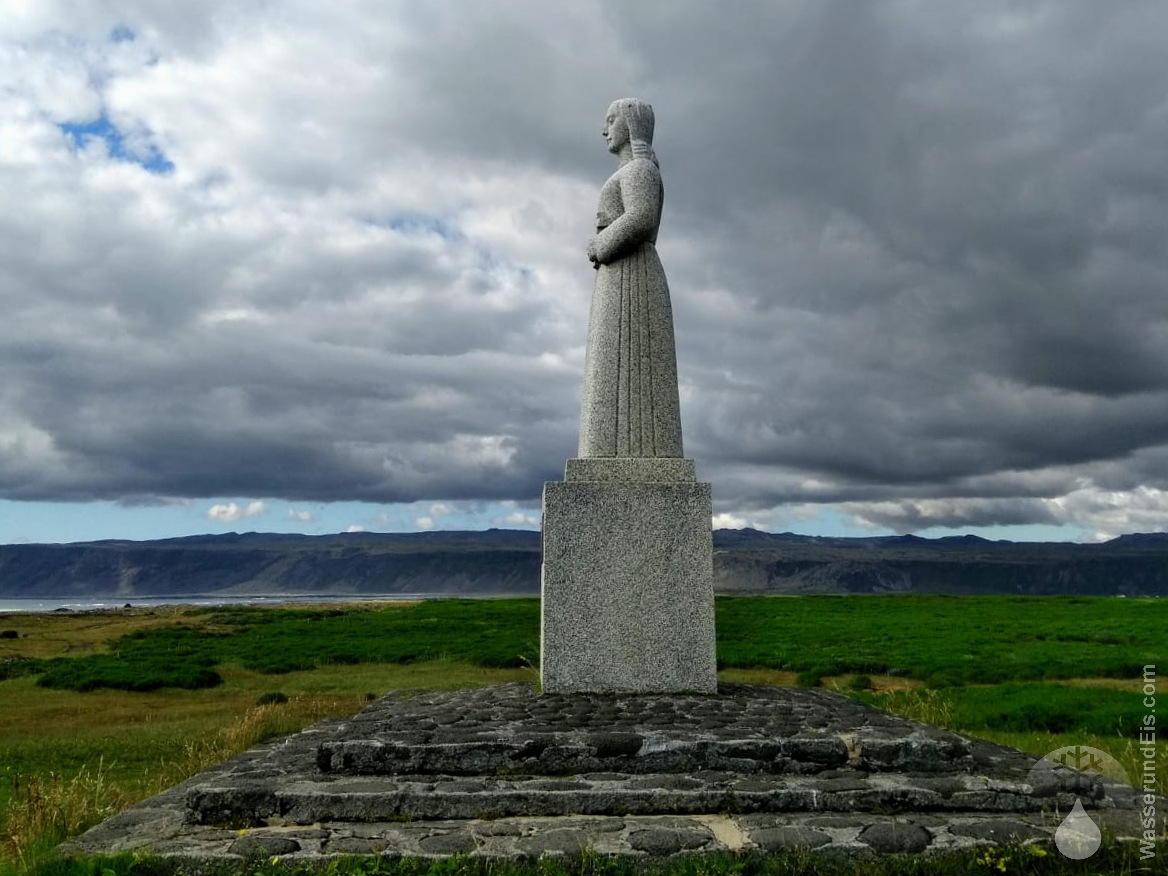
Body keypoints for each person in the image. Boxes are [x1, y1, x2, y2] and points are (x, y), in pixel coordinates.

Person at [578, 98, 683, 458]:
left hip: (633, 276)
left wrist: (600, 244)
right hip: (619, 276)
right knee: (604, 370)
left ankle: (631, 452)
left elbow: (642, 218)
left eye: (610, 120)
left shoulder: (640, 170)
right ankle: (604, 451)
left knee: (623, 369)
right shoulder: (629, 172)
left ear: (631, 125)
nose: (604, 129)